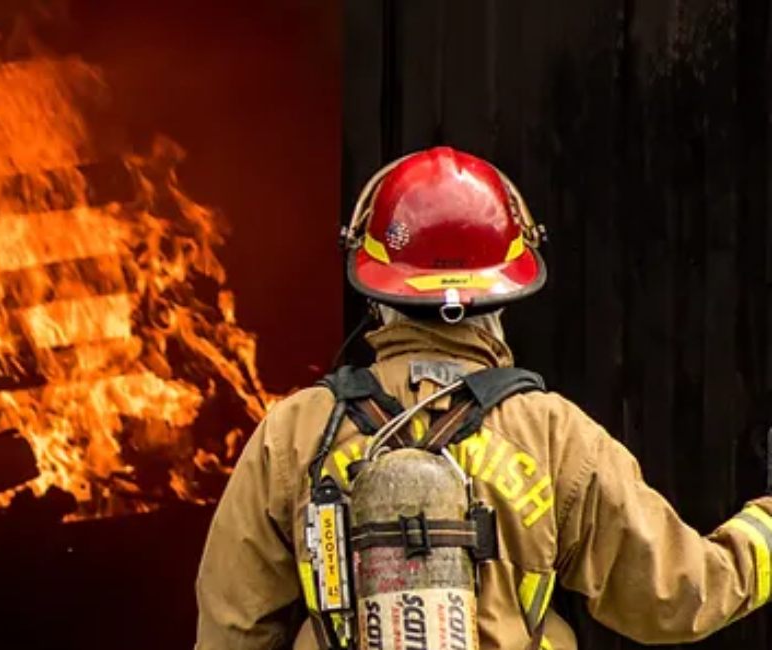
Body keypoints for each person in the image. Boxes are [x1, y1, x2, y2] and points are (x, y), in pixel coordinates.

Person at [194, 147, 772, 649]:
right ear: (504, 293)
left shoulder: (295, 433)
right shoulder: (555, 436)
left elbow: (231, 630)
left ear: (376, 289)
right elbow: (681, 594)